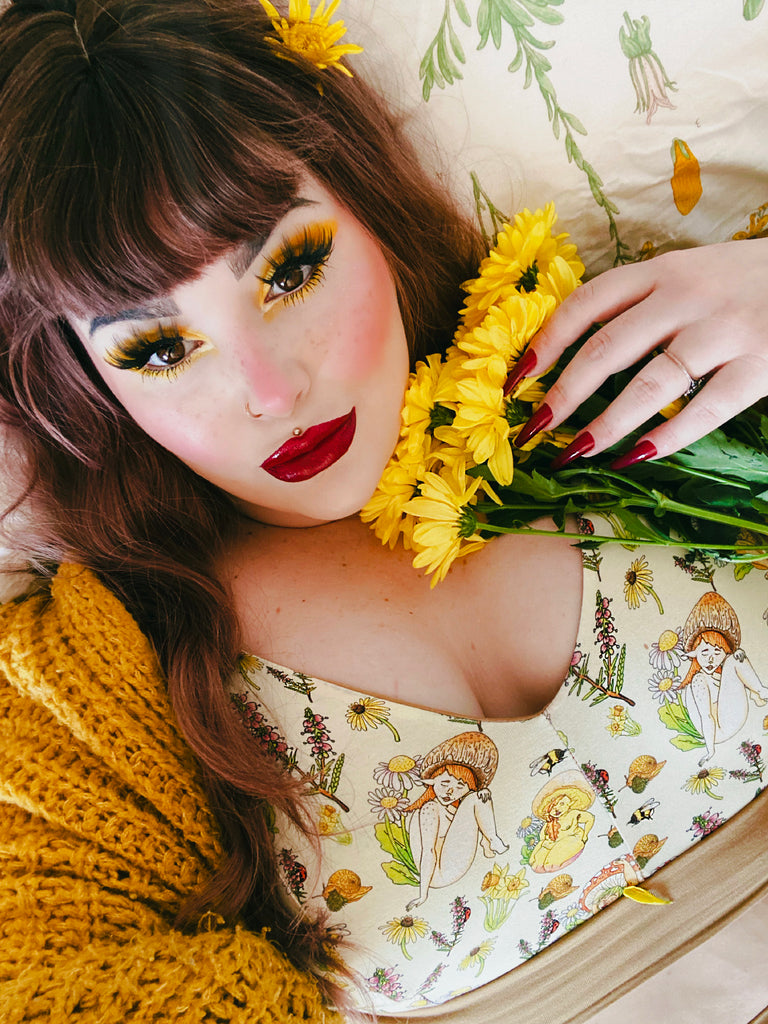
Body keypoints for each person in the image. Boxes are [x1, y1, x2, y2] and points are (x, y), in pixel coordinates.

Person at [1, 1, 768, 1021]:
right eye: (156, 349)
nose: (271, 389)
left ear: (364, 198)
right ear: (91, 390)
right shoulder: (90, 699)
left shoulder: (630, 364)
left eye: (292, 268)